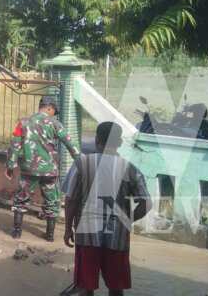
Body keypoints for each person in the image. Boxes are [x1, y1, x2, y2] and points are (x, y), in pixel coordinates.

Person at [62, 122, 152, 295]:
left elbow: (71, 200)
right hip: (117, 238)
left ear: (97, 140)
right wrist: (126, 220)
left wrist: (67, 229)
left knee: (85, 286)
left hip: (87, 235)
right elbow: (146, 203)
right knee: (116, 287)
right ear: (119, 143)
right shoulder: (130, 169)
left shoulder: (82, 163)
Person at [6, 95, 80, 241]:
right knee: (51, 202)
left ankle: (17, 232)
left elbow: (14, 145)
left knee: (21, 200)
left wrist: (10, 166)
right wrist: (82, 163)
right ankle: (50, 236)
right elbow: (70, 144)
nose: (54, 113)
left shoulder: (23, 123)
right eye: (54, 110)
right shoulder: (54, 123)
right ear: (49, 108)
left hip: (29, 170)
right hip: (49, 171)